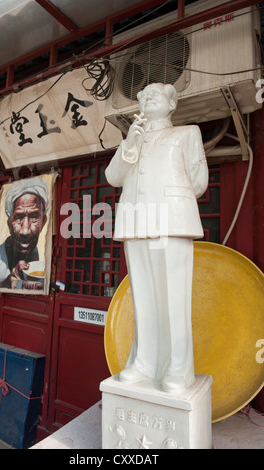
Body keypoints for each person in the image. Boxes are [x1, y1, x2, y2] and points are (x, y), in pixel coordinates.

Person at [105, 83, 208, 393]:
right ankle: (144, 363)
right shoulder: (132, 139)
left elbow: (199, 180)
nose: (149, 97)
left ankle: (179, 365)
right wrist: (130, 145)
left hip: (172, 221)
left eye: (156, 94)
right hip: (136, 222)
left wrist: (170, 202)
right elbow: (113, 178)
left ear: (171, 104)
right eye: (144, 95)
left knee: (175, 297)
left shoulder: (187, 134)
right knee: (144, 298)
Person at [0, 177, 48, 290]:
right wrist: (9, 282)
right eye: (18, 218)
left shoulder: (33, 250)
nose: (25, 231)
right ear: (9, 224)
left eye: (34, 218)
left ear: (43, 222)